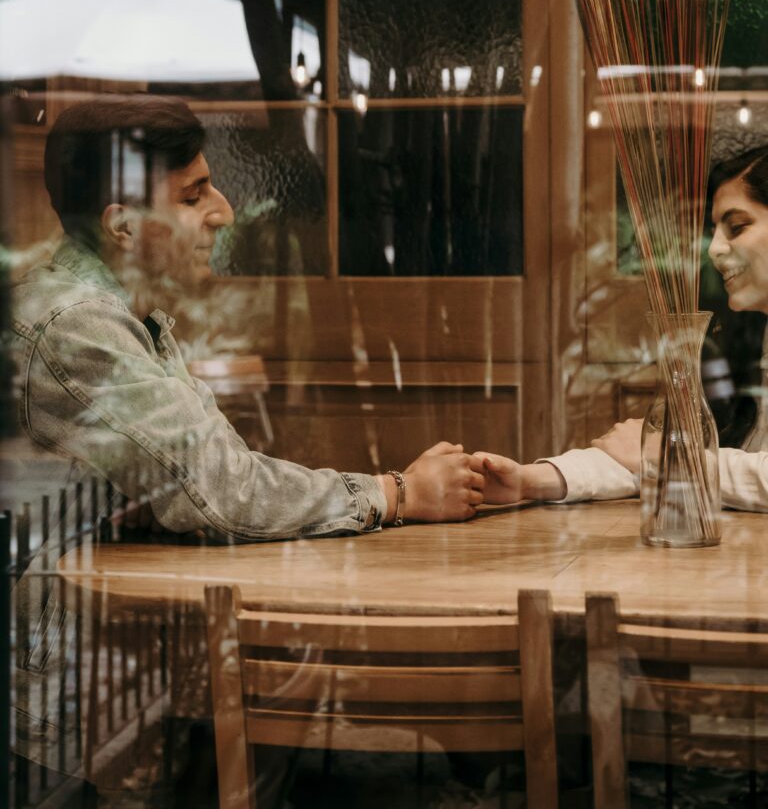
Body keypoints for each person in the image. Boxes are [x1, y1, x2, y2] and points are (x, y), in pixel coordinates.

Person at [12, 95, 483, 540]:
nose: (225, 213)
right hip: (68, 620)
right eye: (192, 198)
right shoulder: (75, 327)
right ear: (123, 226)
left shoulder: (132, 318)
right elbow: (225, 490)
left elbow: (209, 477)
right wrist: (398, 493)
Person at [470, 145, 768, 512]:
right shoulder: (746, 342)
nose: (715, 250)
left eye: (737, 227)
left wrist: (673, 458)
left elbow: (672, 463)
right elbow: (643, 461)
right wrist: (534, 480)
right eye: (714, 231)